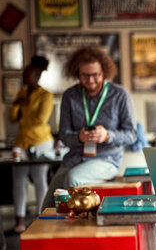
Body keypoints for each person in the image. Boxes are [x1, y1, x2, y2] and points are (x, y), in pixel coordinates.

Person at [42, 46, 137, 210]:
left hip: (106, 159)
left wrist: (107, 135)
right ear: (77, 73)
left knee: (72, 179)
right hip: (74, 158)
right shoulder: (70, 96)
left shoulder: (120, 95)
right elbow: (64, 135)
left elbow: (132, 135)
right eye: (85, 75)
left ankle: (75, 229)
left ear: (104, 73)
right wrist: (79, 138)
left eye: (96, 75)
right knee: (48, 205)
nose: (91, 80)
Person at [8, 56, 54, 233]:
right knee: (18, 181)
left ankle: (40, 218)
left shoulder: (46, 95)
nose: (24, 78)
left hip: (41, 142)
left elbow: (40, 119)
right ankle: (19, 221)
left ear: (36, 75)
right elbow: (12, 117)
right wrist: (17, 104)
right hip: (21, 142)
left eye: (27, 75)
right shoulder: (21, 93)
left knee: (40, 180)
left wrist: (24, 107)